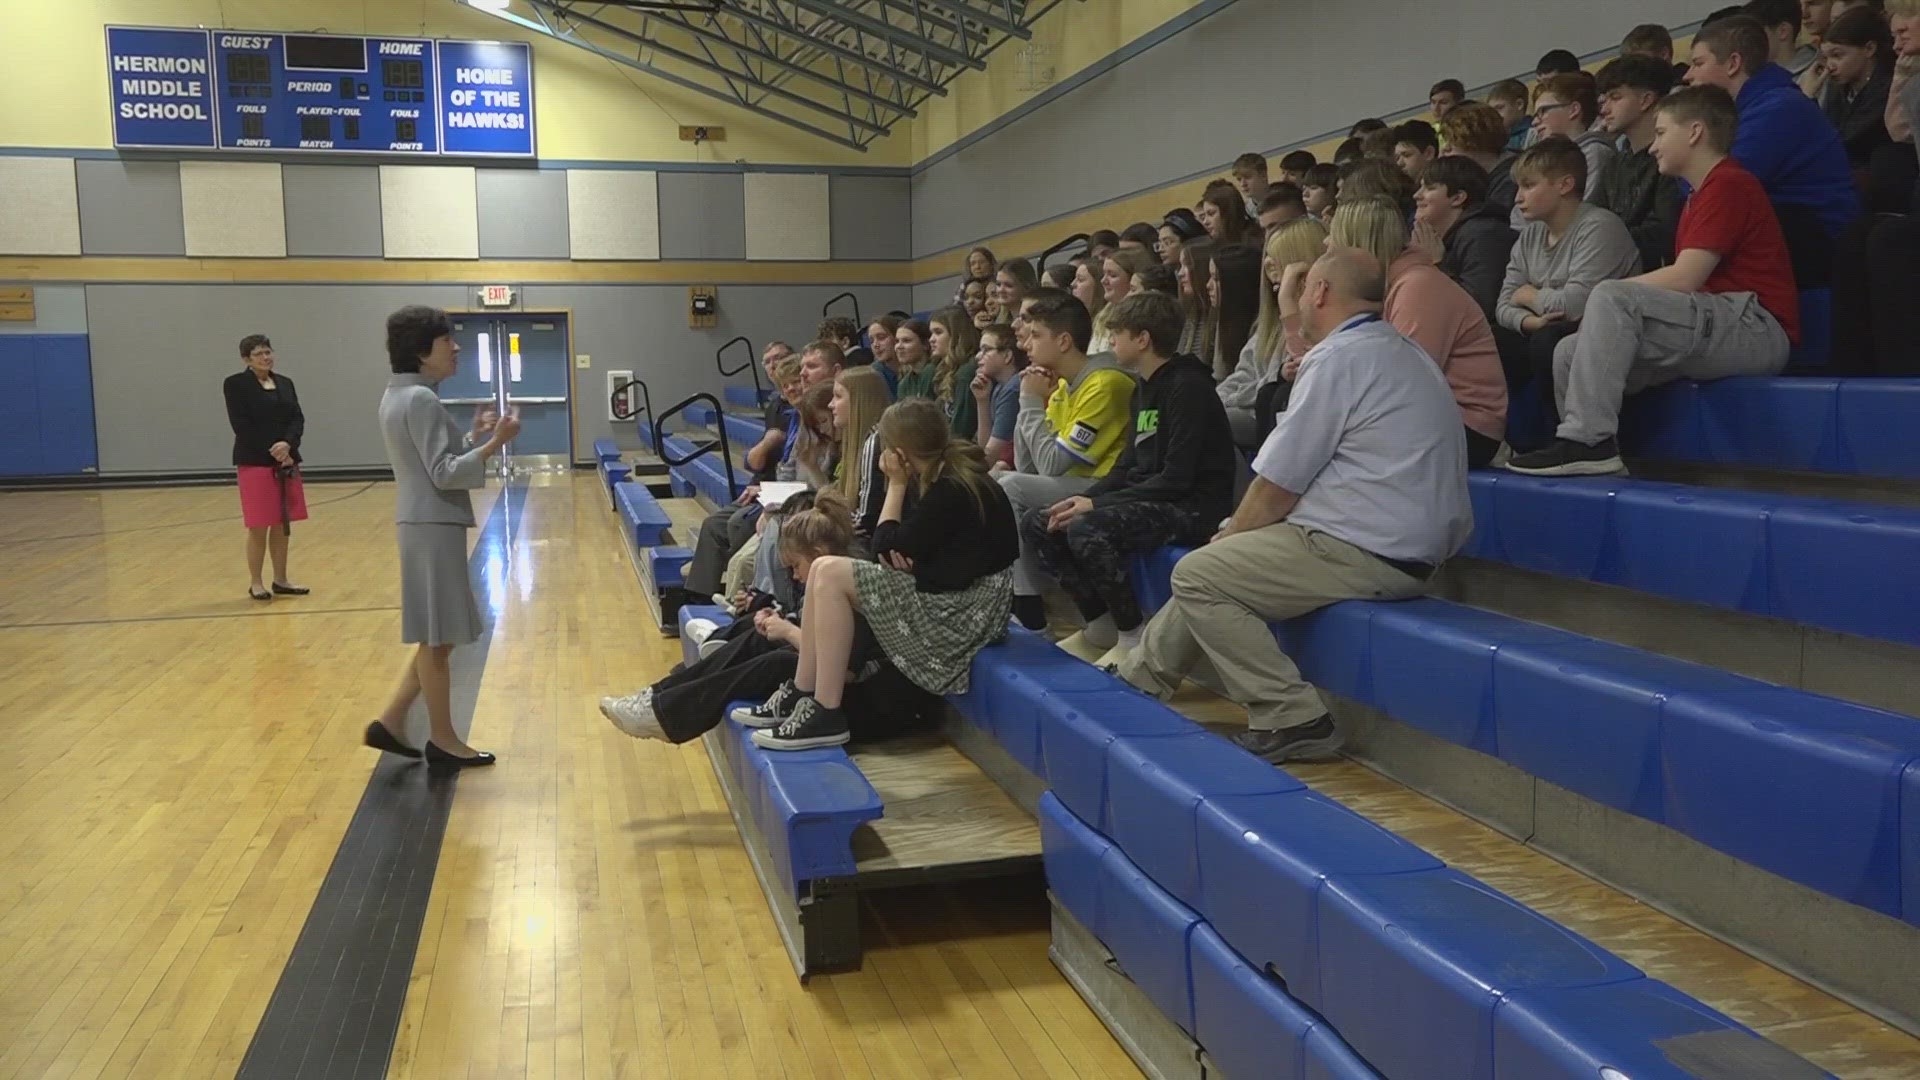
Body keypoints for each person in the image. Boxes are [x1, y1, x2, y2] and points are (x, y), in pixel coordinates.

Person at [1113, 249, 1472, 763]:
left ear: (1321, 293)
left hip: (1369, 548)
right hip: (1394, 541)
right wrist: (1236, 532)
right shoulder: (1398, 349)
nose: (1298, 300)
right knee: (1219, 553)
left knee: (1200, 572)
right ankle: (1140, 677)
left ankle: (1293, 716)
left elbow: (1278, 484)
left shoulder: (1340, 358)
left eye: (1302, 290)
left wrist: (1234, 533)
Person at [1508, 86, 1799, 476]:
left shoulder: (1728, 183)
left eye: (1661, 133)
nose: (1654, 145)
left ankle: (1589, 440)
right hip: (1722, 322)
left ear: (1694, 132)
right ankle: (1590, 455)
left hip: (1758, 328)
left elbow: (1686, 277)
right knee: (1568, 352)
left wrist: (1604, 294)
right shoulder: (1698, 195)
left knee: (1611, 295)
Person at [745, 399, 1019, 750]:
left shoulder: (952, 488)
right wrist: (909, 558)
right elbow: (909, 552)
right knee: (824, 571)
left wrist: (895, 485)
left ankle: (825, 710)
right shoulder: (949, 479)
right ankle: (804, 689)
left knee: (828, 570)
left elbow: (883, 546)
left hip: (965, 614)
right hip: (959, 598)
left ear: (900, 453)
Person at [1025, 292, 1237, 668]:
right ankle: (1099, 625)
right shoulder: (1143, 387)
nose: (1110, 344)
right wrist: (1084, 498)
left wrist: (1096, 506)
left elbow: (1176, 479)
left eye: (1117, 334)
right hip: (1155, 497)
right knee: (1042, 521)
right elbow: (1125, 467)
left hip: (1192, 506)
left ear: (1143, 339)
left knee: (1087, 528)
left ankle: (1132, 633)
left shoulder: (1188, 386)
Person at [368, 305, 521, 774]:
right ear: (421, 351)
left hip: (423, 524)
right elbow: (443, 473)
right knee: (437, 640)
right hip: (432, 525)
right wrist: (495, 442)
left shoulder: (402, 395)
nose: (455, 348)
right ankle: (444, 739)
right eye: (446, 341)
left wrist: (473, 436)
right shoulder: (421, 400)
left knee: (439, 637)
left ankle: (393, 721)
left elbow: (433, 458)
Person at [1326, 196, 1509, 466]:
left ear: (1358, 243)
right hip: (1423, 418)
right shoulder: (1389, 285)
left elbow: (1405, 381)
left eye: (1334, 237)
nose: (1326, 245)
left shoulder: (1418, 286)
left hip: (1467, 426)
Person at [998, 290, 1136, 631]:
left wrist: (1030, 401)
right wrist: (1028, 402)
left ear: (1063, 341)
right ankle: (1005, 595)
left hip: (1105, 486)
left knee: (1009, 485)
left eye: (1035, 336)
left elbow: (1049, 467)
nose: (1025, 345)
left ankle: (1028, 606)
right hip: (1072, 483)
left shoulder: (1105, 383)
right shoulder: (1062, 389)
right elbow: (1027, 463)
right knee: (996, 479)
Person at [1686, 14, 1861, 245]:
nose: (1687, 75)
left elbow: (1719, 187)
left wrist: (1683, 159)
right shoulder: (1759, 105)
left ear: (1733, 64)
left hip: (1818, 245)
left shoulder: (1779, 109)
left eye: (1698, 64)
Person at [1494, 136, 1641, 392]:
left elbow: (1576, 305)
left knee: (1548, 342)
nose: (1518, 198)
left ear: (1565, 185)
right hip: (1543, 329)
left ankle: (1560, 428)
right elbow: (1503, 304)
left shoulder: (1600, 227)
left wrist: (1529, 296)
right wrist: (1533, 322)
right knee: (1495, 339)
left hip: (1609, 333)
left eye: (1528, 186)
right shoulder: (1530, 234)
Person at [1831, 0, 1920, 374]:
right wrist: (1903, 74)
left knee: (1891, 240)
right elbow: (1899, 130)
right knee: (1856, 236)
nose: (1895, 42)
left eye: (1902, 33)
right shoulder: (1912, 77)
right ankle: (1857, 373)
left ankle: (1904, 372)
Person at [224, 334, 309, 602]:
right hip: (256, 460)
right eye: (259, 353)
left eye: (268, 352)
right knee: (260, 524)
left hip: (286, 460)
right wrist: (273, 450)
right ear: (247, 359)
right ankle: (256, 582)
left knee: (283, 524)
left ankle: (281, 579)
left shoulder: (285, 383)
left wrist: (287, 445)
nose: (266, 357)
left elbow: (297, 417)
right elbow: (242, 424)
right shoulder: (236, 385)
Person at [1592, 54, 1686, 271]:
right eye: (1604, 100)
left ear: (1645, 100)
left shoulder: (1673, 159)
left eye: (1615, 98)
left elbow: (1664, 231)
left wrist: (1599, 240)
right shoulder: (1614, 164)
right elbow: (1592, 217)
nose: (1604, 109)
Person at [1413, 156, 1519, 321]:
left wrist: (1436, 265)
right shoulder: (1458, 234)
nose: (1416, 195)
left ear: (1458, 198)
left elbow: (1478, 307)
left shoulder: (1484, 234)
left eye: (1429, 188)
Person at [969, 322, 1028, 467]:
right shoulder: (999, 387)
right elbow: (984, 447)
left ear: (1007, 356)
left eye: (986, 350)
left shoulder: (1014, 389)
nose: (978, 356)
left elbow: (990, 457)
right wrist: (982, 401)